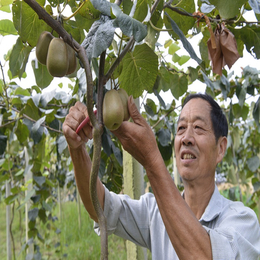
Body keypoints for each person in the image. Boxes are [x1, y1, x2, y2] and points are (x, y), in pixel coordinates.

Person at [63, 93, 260, 259]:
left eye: (198, 128)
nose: (186, 139)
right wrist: (77, 148)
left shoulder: (242, 221)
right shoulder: (155, 212)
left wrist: (152, 161)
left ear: (221, 148)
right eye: (181, 128)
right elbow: (101, 208)